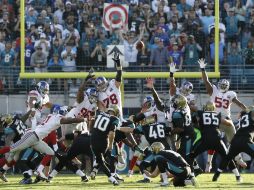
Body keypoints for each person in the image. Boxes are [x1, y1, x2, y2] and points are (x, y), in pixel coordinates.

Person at [0, 106, 85, 182]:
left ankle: (39, 170)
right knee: (12, 150)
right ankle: (24, 174)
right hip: (31, 136)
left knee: (50, 153)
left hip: (37, 139)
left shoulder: (50, 115)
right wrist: (82, 119)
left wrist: (33, 110)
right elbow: (70, 120)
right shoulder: (58, 118)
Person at [198, 58, 247, 172]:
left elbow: (206, 81)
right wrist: (248, 110)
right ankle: (238, 158)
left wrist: (203, 69)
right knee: (234, 140)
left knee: (215, 141)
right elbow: (240, 104)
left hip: (215, 120)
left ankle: (209, 162)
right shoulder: (228, 93)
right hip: (223, 120)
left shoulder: (216, 90)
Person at [189, 101, 241, 182]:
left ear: (205, 108)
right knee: (227, 157)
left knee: (191, 156)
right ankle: (238, 176)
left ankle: (192, 175)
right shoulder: (217, 115)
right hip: (217, 139)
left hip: (205, 140)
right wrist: (230, 121)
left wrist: (191, 107)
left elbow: (193, 113)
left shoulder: (200, 113)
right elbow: (228, 124)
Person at [213, 106, 254, 181]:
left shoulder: (242, 118)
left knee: (227, 158)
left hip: (236, 140)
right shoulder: (250, 116)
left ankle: (216, 175)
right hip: (246, 140)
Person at [90, 105, 121, 186]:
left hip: (93, 139)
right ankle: (113, 176)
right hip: (103, 141)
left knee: (101, 161)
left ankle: (112, 179)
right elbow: (111, 133)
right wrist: (110, 144)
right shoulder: (115, 119)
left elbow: (91, 121)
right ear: (116, 112)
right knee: (109, 159)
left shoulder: (100, 114)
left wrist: (91, 133)